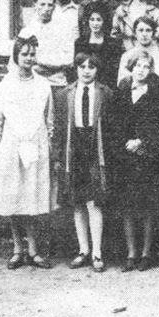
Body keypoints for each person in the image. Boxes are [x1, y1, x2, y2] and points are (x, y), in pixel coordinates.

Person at [0, 36, 54, 270]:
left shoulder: (43, 85)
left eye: (32, 54)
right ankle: (18, 249)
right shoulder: (5, 85)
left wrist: (46, 145)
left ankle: (34, 251)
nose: (28, 58)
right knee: (14, 199)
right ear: (16, 56)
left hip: (36, 146)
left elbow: (50, 120)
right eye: (24, 54)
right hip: (12, 147)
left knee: (32, 198)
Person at [53, 52, 114, 273]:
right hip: (74, 148)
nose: (86, 71)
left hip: (96, 148)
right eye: (82, 67)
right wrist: (57, 156)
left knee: (94, 202)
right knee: (78, 202)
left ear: (97, 70)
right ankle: (83, 250)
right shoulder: (65, 94)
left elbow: (112, 127)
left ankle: (97, 252)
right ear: (76, 69)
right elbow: (59, 127)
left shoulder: (105, 93)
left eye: (91, 67)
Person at [113, 51, 159, 272]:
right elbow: (115, 122)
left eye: (146, 66)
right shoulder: (122, 90)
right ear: (130, 68)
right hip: (125, 156)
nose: (141, 70)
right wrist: (125, 143)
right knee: (127, 206)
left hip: (147, 156)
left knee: (147, 207)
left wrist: (142, 141)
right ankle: (131, 253)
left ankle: (146, 253)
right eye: (137, 66)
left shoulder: (157, 92)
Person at [18, 0, 77, 88]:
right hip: (33, 84)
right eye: (42, 4)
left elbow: (69, 59)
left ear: (54, 7)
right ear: (35, 5)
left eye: (50, 5)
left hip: (57, 82)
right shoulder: (27, 32)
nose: (46, 9)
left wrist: (39, 62)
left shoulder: (63, 30)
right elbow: (17, 61)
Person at [117, 17, 159, 97]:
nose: (144, 34)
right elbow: (121, 85)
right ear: (135, 33)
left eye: (148, 30)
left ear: (154, 33)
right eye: (141, 30)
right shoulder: (126, 56)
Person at [75, 2, 123, 88]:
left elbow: (114, 72)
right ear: (88, 21)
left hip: (106, 86)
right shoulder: (80, 43)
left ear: (104, 21)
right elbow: (77, 68)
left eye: (98, 20)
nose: (95, 23)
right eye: (92, 19)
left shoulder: (113, 44)